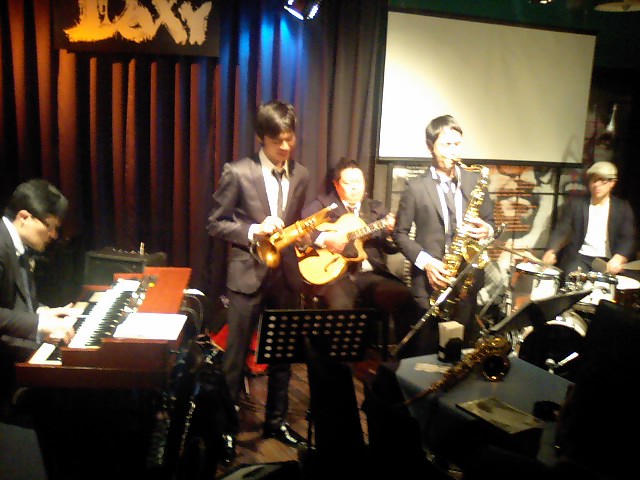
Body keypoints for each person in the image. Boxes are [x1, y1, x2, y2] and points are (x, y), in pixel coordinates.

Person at [207, 100, 309, 458]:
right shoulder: (238, 171)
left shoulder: (301, 174)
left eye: (290, 138)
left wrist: (306, 236)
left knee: (282, 355)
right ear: (261, 138)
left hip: (285, 276)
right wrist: (254, 230)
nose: (286, 146)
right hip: (248, 274)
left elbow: (295, 222)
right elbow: (215, 223)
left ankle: (276, 422)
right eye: (278, 140)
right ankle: (225, 429)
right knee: (234, 358)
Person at [300, 158, 424, 358]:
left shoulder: (376, 209)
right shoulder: (323, 206)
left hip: (370, 274)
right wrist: (326, 240)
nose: (355, 187)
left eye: (359, 182)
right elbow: (302, 231)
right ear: (336, 185)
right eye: (348, 183)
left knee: (406, 298)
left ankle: (403, 363)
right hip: (336, 276)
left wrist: (391, 234)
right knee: (341, 309)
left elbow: (391, 248)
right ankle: (342, 365)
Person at [392, 114, 495, 353]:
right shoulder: (415, 187)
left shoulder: (476, 181)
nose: (453, 151)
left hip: (467, 279)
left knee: (462, 349)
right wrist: (427, 263)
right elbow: (400, 233)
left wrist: (486, 230)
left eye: (457, 144)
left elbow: (490, 222)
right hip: (430, 281)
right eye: (446, 144)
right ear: (431, 147)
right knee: (425, 353)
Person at [1, 179, 77, 419]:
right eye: (50, 227)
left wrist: (42, 312)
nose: (54, 235)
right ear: (24, 217)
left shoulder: (16, 245)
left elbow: (13, 302)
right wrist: (39, 324)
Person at [541, 161, 636, 279]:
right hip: (580, 257)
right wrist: (551, 250)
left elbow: (628, 238)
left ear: (612, 183)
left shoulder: (622, 207)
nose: (596, 185)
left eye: (602, 180)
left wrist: (619, 257)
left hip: (608, 260)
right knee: (573, 279)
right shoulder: (576, 204)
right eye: (593, 180)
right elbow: (562, 230)